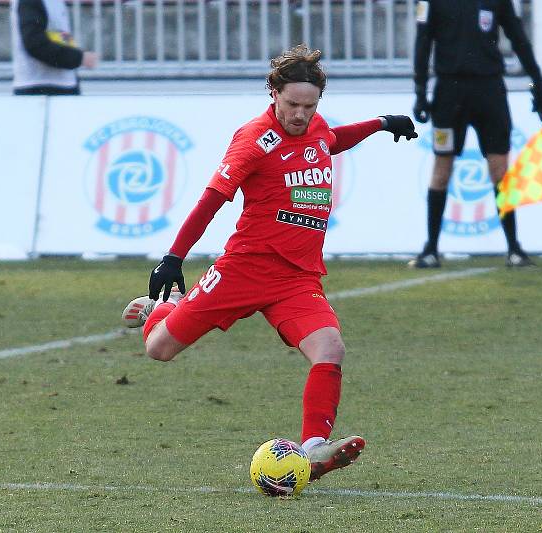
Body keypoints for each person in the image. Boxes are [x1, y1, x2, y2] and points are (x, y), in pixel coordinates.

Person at [120, 45, 417, 482]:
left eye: (309, 105)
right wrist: (173, 257)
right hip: (244, 269)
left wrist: (380, 124)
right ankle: (158, 309)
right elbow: (212, 199)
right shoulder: (254, 140)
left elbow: (333, 139)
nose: (300, 114)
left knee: (330, 348)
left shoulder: (315, 126)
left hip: (297, 278)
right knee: (159, 349)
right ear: (273, 92)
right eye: (292, 104)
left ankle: (315, 448)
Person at [409, 0, 542, 268]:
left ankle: (514, 248)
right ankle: (431, 249)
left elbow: (518, 38)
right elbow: (423, 42)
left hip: (489, 91)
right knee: (442, 167)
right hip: (449, 93)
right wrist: (420, 91)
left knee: (499, 169)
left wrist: (537, 84)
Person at [11, 0, 98, 95]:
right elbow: (35, 44)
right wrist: (79, 58)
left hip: (58, 84)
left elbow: (59, 37)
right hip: (40, 87)